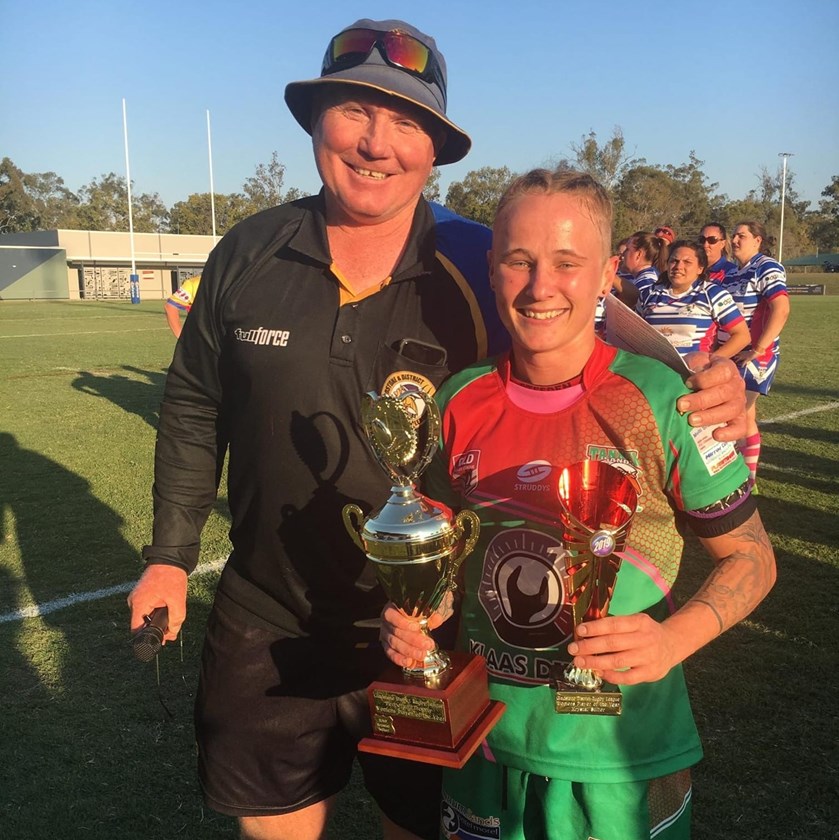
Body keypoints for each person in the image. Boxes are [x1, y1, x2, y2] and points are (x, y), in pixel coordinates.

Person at [127, 19, 747, 840]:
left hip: (434, 633)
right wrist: (171, 556)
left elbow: (593, 311)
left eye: (408, 122)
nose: (377, 143)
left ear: (434, 148)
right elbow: (195, 401)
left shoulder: (479, 255)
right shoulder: (249, 252)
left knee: (419, 829)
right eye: (354, 110)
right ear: (315, 122)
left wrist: (710, 382)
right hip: (269, 612)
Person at [382, 170, 776, 840]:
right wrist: (421, 617)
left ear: (605, 275)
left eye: (567, 263)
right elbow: (449, 562)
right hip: (484, 746)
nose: (540, 287)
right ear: (492, 269)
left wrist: (671, 641)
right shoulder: (458, 400)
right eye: (519, 261)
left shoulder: (670, 401)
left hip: (618, 762)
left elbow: (753, 557)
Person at [722, 220, 790, 485]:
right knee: (740, 414)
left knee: (741, 413)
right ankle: (743, 478)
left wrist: (759, 348)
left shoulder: (766, 267)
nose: (735, 240)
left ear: (757, 240)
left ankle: (745, 479)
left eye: (742, 235)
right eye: (734, 236)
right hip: (733, 352)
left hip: (754, 355)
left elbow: (781, 308)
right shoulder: (732, 273)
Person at [637, 239, 750, 357]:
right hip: (654, 369)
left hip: (692, 372)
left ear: (700, 268)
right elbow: (634, 334)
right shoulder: (649, 294)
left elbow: (742, 336)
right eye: (674, 261)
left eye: (687, 262)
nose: (678, 266)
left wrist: (710, 363)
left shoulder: (713, 294)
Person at [622, 230, 669, 299]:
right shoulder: (643, 277)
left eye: (627, 249)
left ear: (638, 255)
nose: (623, 254)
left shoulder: (646, 283)